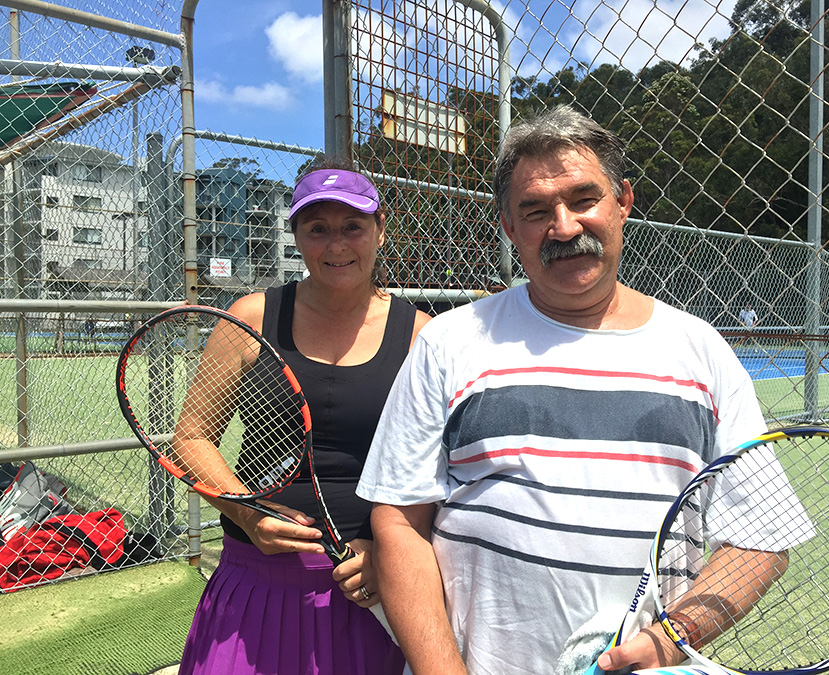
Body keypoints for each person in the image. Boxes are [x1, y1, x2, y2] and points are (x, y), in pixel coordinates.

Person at [356, 106, 775, 675]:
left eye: (583, 199)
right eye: (535, 210)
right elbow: (400, 522)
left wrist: (671, 638)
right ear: (508, 226)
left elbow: (759, 536)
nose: (564, 226)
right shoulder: (449, 342)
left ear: (623, 202)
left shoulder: (702, 352)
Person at [178, 162, 430, 675]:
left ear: (380, 230)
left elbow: (431, 468)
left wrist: (388, 551)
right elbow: (192, 438)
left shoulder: (420, 334)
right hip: (254, 578)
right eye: (317, 229)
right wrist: (249, 515)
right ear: (296, 236)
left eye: (352, 227)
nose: (336, 245)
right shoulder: (250, 316)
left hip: (372, 587)